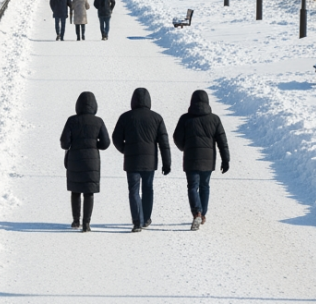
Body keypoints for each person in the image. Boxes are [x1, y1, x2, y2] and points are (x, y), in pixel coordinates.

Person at [112, 87, 171, 232]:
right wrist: (166, 162)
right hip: (150, 161)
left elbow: (116, 138)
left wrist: (125, 150)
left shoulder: (125, 117)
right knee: (148, 189)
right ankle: (146, 219)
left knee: (133, 190)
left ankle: (137, 221)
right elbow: (164, 143)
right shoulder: (157, 118)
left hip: (132, 160)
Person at [172, 90, 230, 231]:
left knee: (192, 186)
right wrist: (225, 160)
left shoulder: (185, 119)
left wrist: (184, 147)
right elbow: (222, 141)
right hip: (208, 160)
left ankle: (196, 212)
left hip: (191, 158)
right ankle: (203, 214)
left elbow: (176, 137)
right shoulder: (214, 119)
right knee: (205, 186)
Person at [61, 91, 111, 232]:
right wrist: (95, 145)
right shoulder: (98, 121)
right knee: (89, 192)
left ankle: (76, 221)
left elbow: (64, 143)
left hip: (75, 160)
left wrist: (72, 143)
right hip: (92, 161)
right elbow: (106, 142)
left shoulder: (72, 120)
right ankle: (86, 223)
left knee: (75, 190)